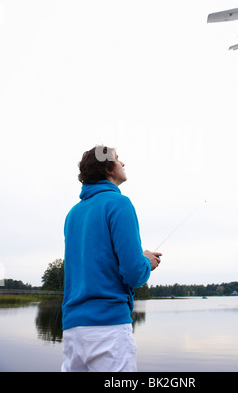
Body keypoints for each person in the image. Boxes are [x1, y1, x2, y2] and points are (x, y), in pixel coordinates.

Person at [61, 145, 162, 372]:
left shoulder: (73, 214)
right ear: (107, 167)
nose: (123, 163)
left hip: (72, 330)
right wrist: (146, 262)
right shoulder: (119, 204)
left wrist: (140, 258)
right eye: (118, 159)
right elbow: (134, 273)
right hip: (108, 329)